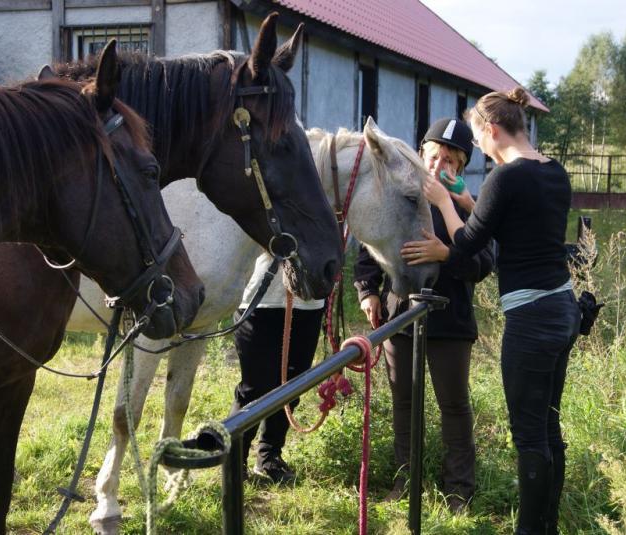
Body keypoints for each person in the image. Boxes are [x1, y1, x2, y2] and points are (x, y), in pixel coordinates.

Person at [420, 88, 581, 534]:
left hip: (530, 319)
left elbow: (465, 245)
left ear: (490, 130)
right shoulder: (554, 171)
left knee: (529, 435)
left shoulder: (504, 178)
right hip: (562, 308)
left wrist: (442, 203)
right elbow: (520, 228)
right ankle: (546, 524)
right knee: (549, 427)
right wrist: (470, 204)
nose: (480, 150)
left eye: (478, 138)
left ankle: (530, 530)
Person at [354, 117, 495, 513]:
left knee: (453, 405)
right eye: (433, 156)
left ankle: (458, 491)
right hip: (402, 313)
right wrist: (368, 290)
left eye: (449, 161)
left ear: (462, 167)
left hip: (451, 321)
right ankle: (405, 479)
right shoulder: (398, 193)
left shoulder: (471, 206)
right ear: (421, 154)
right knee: (403, 402)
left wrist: (446, 256)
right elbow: (369, 243)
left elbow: (484, 264)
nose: (437, 167)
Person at [229, 251, 325, 483]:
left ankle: (269, 455)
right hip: (258, 299)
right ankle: (235, 459)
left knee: (292, 386)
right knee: (255, 386)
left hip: (309, 299)